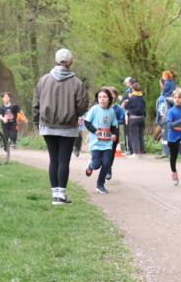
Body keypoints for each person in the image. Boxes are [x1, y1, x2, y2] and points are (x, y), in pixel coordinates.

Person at [33, 48, 89, 204]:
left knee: (54, 159)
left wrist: (36, 121)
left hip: (47, 125)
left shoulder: (43, 80)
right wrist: (74, 113)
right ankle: (61, 196)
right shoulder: (77, 83)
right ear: (70, 62)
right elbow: (83, 106)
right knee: (64, 160)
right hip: (68, 127)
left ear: (56, 60)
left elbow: (36, 104)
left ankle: (54, 195)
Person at [83, 87, 118, 194]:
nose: (102, 99)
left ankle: (100, 185)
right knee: (97, 164)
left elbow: (114, 126)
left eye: (105, 97)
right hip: (95, 143)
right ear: (97, 99)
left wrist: (114, 135)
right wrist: (95, 131)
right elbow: (87, 122)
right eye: (100, 97)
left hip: (107, 143)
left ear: (109, 99)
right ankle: (91, 165)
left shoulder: (111, 111)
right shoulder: (94, 109)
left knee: (107, 163)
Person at [155, 72, 176, 158]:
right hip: (170, 119)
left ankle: (166, 152)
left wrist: (159, 120)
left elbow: (161, 110)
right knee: (166, 135)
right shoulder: (173, 96)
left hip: (165, 119)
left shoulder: (164, 98)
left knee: (165, 135)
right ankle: (167, 151)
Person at [124, 81, 147, 156]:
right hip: (142, 118)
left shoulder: (132, 98)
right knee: (140, 135)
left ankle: (135, 153)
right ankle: (141, 151)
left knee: (134, 135)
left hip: (134, 118)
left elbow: (127, 107)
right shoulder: (142, 98)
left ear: (133, 89)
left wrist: (125, 103)